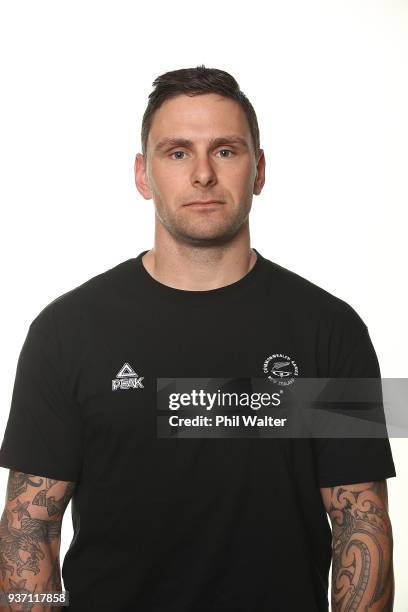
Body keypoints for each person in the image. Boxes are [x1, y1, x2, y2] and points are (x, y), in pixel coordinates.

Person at [0, 65, 396, 612]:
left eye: (227, 151)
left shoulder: (332, 329)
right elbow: (29, 529)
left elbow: (360, 522)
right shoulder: (64, 331)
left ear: (259, 171)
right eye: (178, 152)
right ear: (143, 175)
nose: (204, 175)